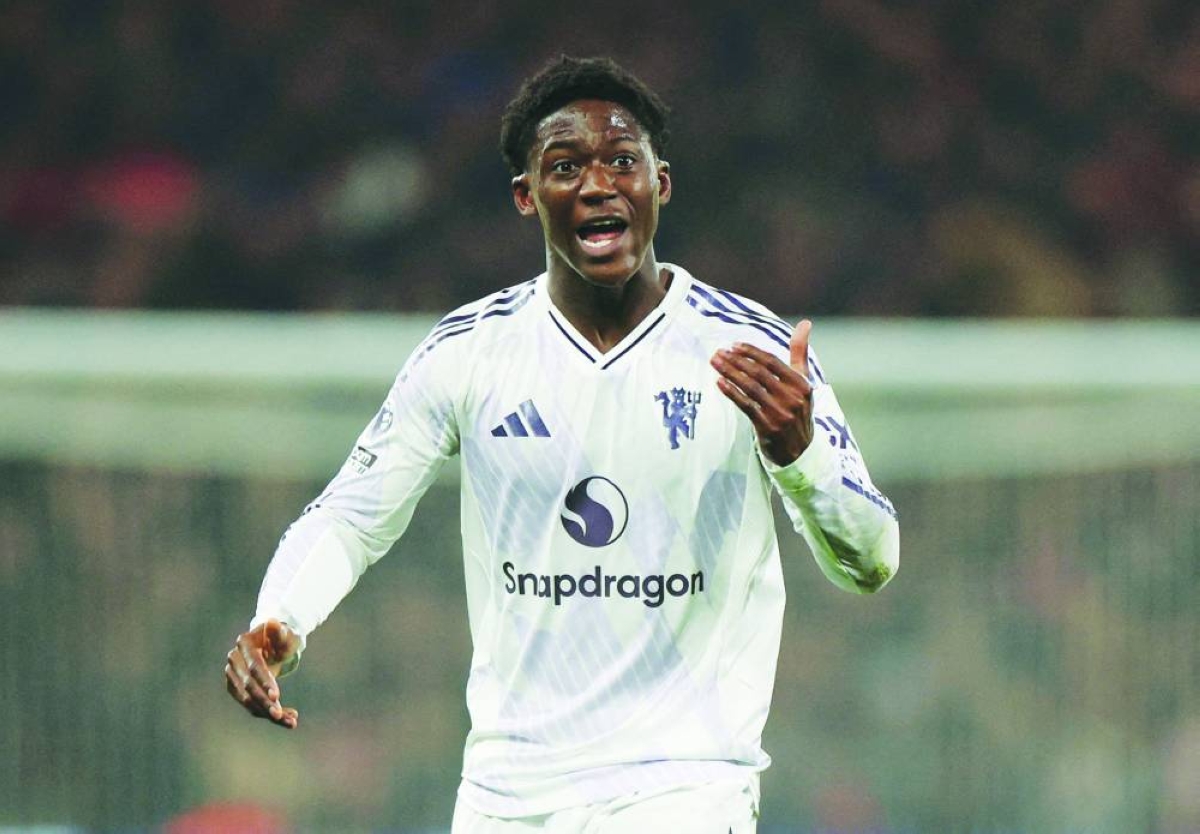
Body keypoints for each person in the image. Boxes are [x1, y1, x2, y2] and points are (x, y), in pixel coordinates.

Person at [224, 54, 899, 833]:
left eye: (622, 161)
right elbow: (350, 515)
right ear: (526, 196)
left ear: (661, 184)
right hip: (506, 795)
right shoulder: (470, 352)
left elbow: (873, 561)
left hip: (683, 788)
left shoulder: (756, 352)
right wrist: (280, 619)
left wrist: (801, 455)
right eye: (566, 165)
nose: (598, 183)